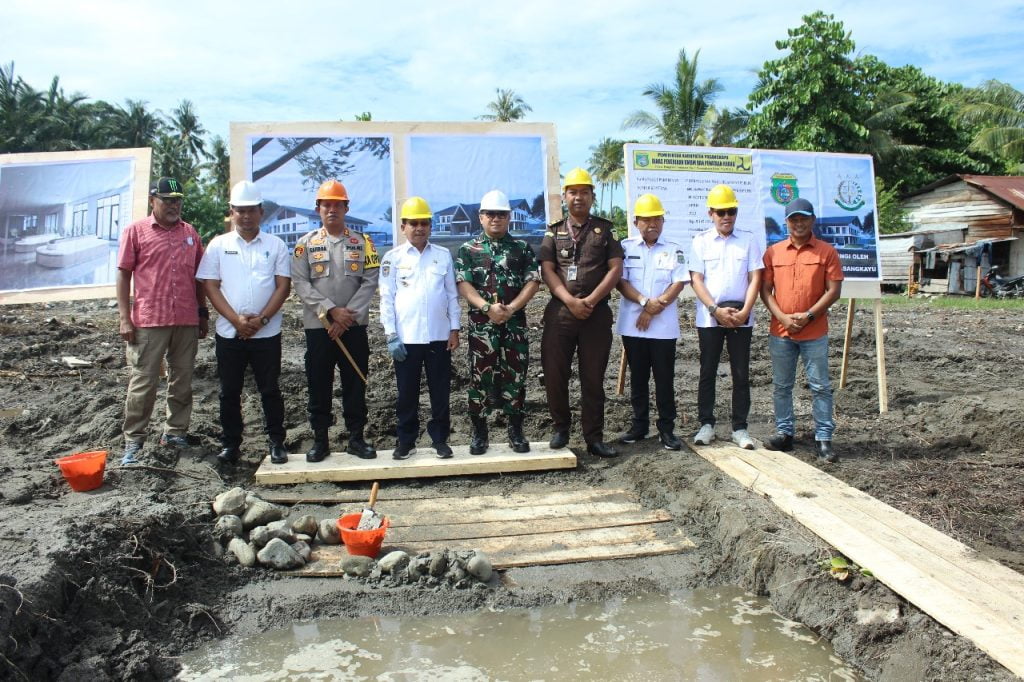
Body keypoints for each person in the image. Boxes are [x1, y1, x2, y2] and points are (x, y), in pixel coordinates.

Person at [196, 181, 291, 466]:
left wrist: (262, 320)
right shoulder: (218, 245)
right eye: (240, 210)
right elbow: (210, 286)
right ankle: (231, 445)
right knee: (229, 392)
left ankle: (276, 442)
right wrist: (236, 320)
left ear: (261, 211)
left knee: (270, 390)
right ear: (232, 211)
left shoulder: (275, 245)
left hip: (267, 333)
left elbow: (283, 287)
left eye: (251, 210)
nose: (246, 216)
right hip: (230, 333)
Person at [116, 177, 208, 465]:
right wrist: (124, 318)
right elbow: (123, 274)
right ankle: (134, 439)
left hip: (185, 318)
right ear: (152, 201)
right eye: (167, 200)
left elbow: (199, 277)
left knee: (182, 379)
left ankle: (175, 432)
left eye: (177, 200)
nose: (173, 205)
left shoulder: (190, 233)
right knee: (143, 381)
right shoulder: (136, 232)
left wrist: (202, 312)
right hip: (149, 320)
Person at [293, 179, 380, 462]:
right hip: (319, 328)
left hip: (353, 327)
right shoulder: (305, 244)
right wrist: (331, 310)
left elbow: (370, 281)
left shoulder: (364, 243)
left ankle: (356, 438)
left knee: (355, 382)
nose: (332, 209)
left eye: (337, 205)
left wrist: (345, 316)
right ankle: (320, 441)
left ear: (346, 208)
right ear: (318, 208)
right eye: (326, 204)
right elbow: (301, 283)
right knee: (319, 383)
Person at [539, 168, 624, 458]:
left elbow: (615, 269)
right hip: (560, 313)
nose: (578, 197)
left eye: (584, 192)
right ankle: (561, 428)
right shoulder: (553, 231)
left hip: (595, 314)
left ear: (592, 197)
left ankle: (594, 438)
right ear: (565, 197)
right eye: (573, 192)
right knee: (555, 374)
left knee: (593, 377)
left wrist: (591, 300)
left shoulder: (606, 230)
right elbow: (547, 270)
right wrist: (569, 300)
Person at [455, 190, 541, 455]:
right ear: (481, 217)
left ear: (509, 217)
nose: (496, 218)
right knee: (480, 378)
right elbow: (463, 283)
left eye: (501, 214)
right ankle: (479, 433)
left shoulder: (522, 248)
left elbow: (533, 281)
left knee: (516, 376)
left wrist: (511, 308)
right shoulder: (468, 249)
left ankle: (516, 431)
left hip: (514, 326)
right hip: (482, 327)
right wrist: (486, 308)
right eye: (490, 214)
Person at [760, 198, 844, 463]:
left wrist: (809, 316)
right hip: (781, 332)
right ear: (787, 222)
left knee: (820, 386)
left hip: (814, 332)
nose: (799, 223)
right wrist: (783, 317)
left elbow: (834, 290)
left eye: (804, 218)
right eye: (794, 219)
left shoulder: (826, 252)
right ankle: (784, 433)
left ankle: (823, 438)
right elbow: (765, 290)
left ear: (812, 220)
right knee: (782, 386)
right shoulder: (773, 253)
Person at [379, 197, 461, 460]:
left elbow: (452, 295)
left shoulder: (443, 255)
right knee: (407, 393)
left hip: (439, 336)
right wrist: (391, 334)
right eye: (413, 223)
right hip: (407, 338)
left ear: (430, 226)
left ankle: (440, 440)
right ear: (403, 226)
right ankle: (406, 441)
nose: (419, 228)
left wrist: (455, 329)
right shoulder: (392, 258)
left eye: (424, 223)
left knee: (440, 392)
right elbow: (386, 299)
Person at [689, 184, 764, 450]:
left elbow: (756, 278)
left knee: (741, 373)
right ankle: (706, 424)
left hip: (741, 317)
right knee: (707, 370)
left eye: (731, 211)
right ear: (710, 213)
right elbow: (696, 279)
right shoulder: (700, 241)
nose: (726, 217)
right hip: (710, 318)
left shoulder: (748, 240)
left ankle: (740, 428)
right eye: (721, 212)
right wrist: (715, 310)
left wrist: (745, 311)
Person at [615, 194, 689, 450]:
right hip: (633, 326)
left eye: (657, 218)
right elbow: (621, 281)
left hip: (663, 328)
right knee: (638, 378)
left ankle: (667, 429)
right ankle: (639, 425)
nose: (652, 224)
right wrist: (645, 302)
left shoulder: (674, 249)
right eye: (646, 219)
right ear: (636, 222)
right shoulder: (626, 248)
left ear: (663, 221)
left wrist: (656, 306)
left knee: (664, 379)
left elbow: (678, 282)